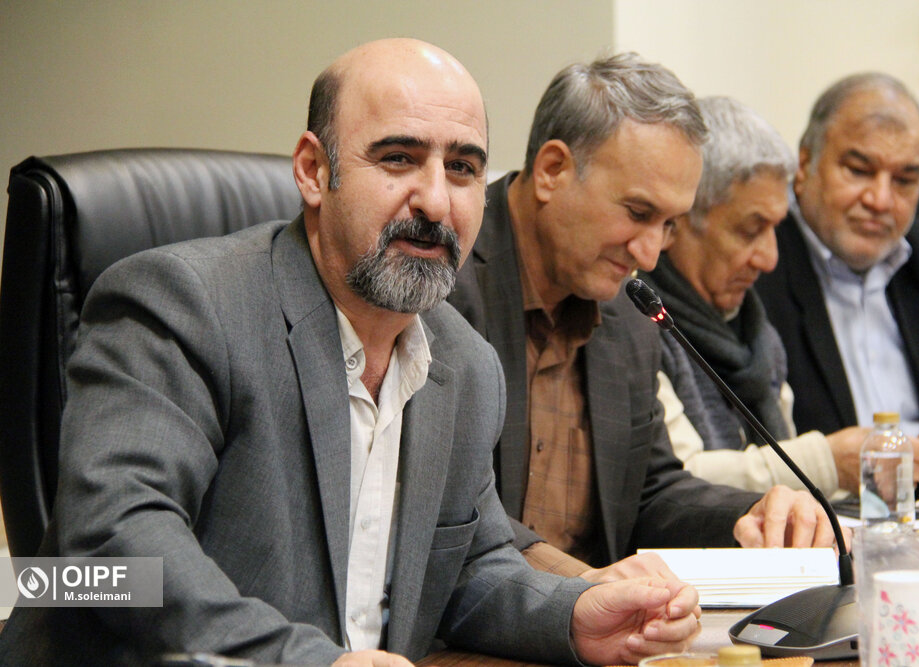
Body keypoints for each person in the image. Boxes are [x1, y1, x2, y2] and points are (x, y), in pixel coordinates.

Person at [0, 39, 702, 667]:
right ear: (313, 170)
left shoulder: (465, 364)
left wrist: (572, 616)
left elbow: (468, 569)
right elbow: (113, 550)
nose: (436, 201)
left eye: (463, 168)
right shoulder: (181, 304)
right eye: (399, 158)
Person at [448, 53, 837, 577]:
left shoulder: (628, 316)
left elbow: (650, 492)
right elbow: (450, 507)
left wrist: (754, 514)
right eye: (638, 213)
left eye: (670, 224)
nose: (650, 255)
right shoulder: (444, 283)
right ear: (553, 170)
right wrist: (585, 587)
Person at [639, 96, 919, 496]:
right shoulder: (639, 321)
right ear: (678, 221)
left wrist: (896, 454)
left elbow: (792, 494)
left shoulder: (755, 332)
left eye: (775, 229)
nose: (770, 258)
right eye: (750, 230)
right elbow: (671, 484)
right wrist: (828, 461)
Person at [754, 73, 919, 461]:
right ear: (804, 164)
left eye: (904, 179)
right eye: (859, 170)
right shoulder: (759, 264)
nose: (881, 200)